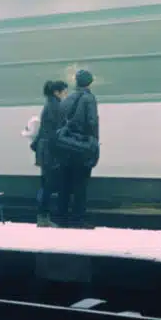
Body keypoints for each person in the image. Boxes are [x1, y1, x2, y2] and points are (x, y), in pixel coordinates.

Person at [55, 70, 100, 229]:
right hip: (81, 146)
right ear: (90, 82)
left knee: (65, 184)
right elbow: (92, 123)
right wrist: (94, 144)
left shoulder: (67, 99)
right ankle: (77, 219)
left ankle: (61, 218)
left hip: (66, 146)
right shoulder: (89, 98)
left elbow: (60, 121)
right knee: (80, 184)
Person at [34, 80, 68, 227]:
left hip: (45, 149)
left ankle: (43, 216)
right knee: (48, 185)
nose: (66, 95)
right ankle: (43, 217)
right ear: (56, 92)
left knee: (46, 183)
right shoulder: (55, 106)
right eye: (64, 92)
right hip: (50, 151)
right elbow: (57, 131)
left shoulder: (49, 104)